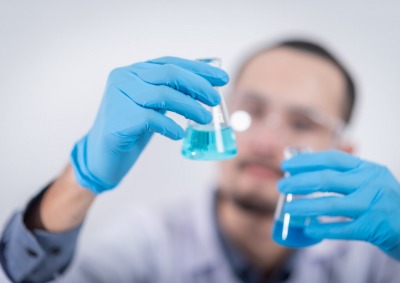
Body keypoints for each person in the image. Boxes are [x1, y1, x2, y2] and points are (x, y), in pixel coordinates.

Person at [1, 39, 400, 283]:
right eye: (251, 111)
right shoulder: (147, 242)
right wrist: (81, 177)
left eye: (301, 122)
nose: (265, 141)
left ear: (343, 153)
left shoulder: (375, 261)